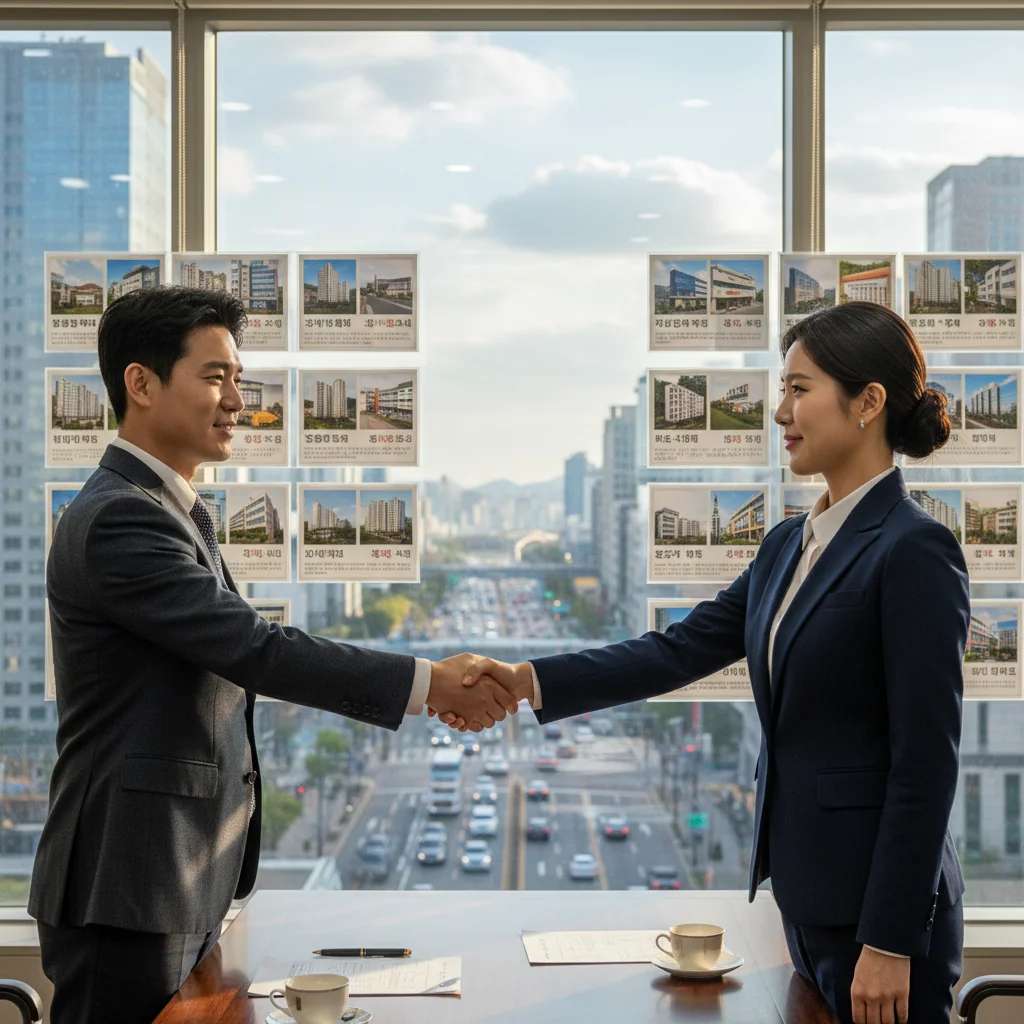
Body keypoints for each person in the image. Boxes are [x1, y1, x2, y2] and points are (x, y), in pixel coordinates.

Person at [448, 302, 969, 1024]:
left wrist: (889, 937)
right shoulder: (789, 544)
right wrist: (530, 680)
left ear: (868, 403)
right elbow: (677, 651)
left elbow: (927, 762)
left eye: (799, 389)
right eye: (781, 390)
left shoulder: (913, 550)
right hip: (809, 898)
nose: (780, 412)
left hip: (879, 922)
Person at [31, 286, 516, 1024]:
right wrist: (428, 683)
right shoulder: (119, 518)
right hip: (127, 882)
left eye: (238, 379)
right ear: (141, 383)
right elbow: (255, 649)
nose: (237, 400)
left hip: (170, 877)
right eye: (216, 377)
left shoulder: (167, 509)